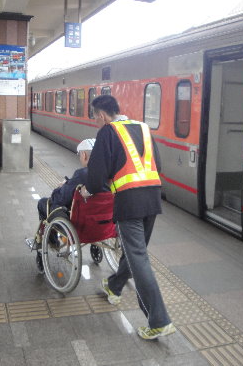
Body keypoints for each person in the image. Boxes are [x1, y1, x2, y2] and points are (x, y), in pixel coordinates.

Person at [80, 95, 175, 340]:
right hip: (152, 199)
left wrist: (88, 190)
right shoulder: (143, 128)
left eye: (95, 117)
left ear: (101, 115)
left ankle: (159, 320)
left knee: (139, 257)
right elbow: (158, 165)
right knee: (136, 252)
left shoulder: (108, 132)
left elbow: (96, 176)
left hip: (129, 203)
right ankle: (114, 286)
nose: (95, 122)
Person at [37, 138, 99, 221]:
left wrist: (61, 187)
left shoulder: (82, 174)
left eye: (79, 155)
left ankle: (49, 233)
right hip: (104, 224)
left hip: (82, 222)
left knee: (43, 202)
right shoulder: (110, 174)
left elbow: (59, 199)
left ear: (84, 155)